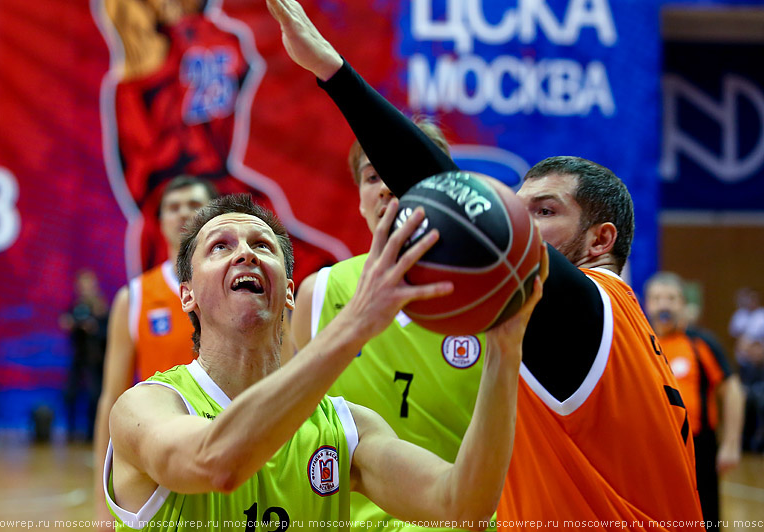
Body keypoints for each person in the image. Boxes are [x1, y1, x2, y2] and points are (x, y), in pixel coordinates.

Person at [266, 0, 706, 527]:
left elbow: (451, 202)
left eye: (542, 212)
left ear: (599, 240)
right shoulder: (609, 330)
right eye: (516, 209)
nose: (518, 224)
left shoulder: (591, 313)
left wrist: (333, 72)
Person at [103, 193, 545, 531]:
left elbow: (462, 504)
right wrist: (354, 323)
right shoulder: (145, 408)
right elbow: (214, 462)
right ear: (188, 294)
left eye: (263, 245)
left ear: (289, 291)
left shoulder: (347, 426)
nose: (245, 253)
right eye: (219, 246)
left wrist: (504, 352)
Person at [291, 119, 492, 532]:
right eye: (371, 176)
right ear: (361, 199)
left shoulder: (490, 296)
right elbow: (293, 429)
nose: (385, 186)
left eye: (402, 169)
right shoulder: (319, 293)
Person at [98, 0, 344, 279]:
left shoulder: (177, 50)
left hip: (207, 198)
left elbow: (141, 173)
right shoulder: (216, 41)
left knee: (288, 277)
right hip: (196, 204)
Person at [93, 175, 217, 528]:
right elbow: (111, 399)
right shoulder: (133, 298)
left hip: (227, 451)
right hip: (157, 464)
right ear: (160, 221)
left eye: (194, 205)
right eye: (172, 208)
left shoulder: (234, 290)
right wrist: (104, 503)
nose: (182, 214)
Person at [644, 272, 746, 527]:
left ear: (683, 305)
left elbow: (732, 390)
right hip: (654, 449)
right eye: (657, 298)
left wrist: (731, 444)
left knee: (705, 517)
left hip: (699, 446)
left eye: (671, 298)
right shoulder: (641, 342)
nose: (664, 305)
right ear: (647, 304)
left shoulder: (701, 342)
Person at [60, 269, 109, 441]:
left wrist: (94, 327)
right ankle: (71, 432)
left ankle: (92, 433)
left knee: (95, 395)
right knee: (70, 393)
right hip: (79, 356)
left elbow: (107, 332)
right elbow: (66, 322)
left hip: (95, 358)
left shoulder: (101, 308)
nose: (86, 288)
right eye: (83, 285)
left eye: (89, 284)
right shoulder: (77, 306)